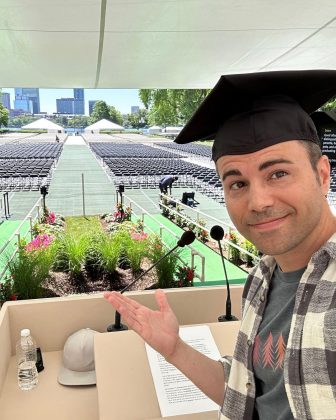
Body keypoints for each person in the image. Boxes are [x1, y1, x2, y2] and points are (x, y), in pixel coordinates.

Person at [104, 70, 336, 419]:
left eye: (278, 173)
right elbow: (247, 394)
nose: (258, 202)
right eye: (237, 183)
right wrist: (175, 349)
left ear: (322, 175)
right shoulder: (262, 278)